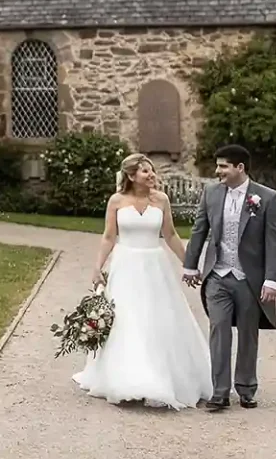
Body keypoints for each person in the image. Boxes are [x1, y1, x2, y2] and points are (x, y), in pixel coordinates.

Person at [73, 153, 214, 409]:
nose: (152, 175)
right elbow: (108, 237)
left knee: (157, 319)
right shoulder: (117, 201)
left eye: (152, 171)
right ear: (130, 176)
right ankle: (129, 378)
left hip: (154, 266)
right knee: (128, 320)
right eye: (145, 171)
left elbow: (170, 235)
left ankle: (160, 377)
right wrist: (97, 267)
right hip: (125, 265)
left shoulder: (161, 200)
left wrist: (189, 263)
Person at [181, 143, 276, 412]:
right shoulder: (211, 193)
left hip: (248, 279)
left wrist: (271, 279)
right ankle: (219, 393)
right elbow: (199, 230)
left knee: (248, 334)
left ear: (240, 167)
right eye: (218, 165)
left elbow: (274, 242)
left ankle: (247, 388)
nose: (218, 171)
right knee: (219, 331)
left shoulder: (267, 198)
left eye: (223, 166)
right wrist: (190, 265)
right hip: (217, 277)